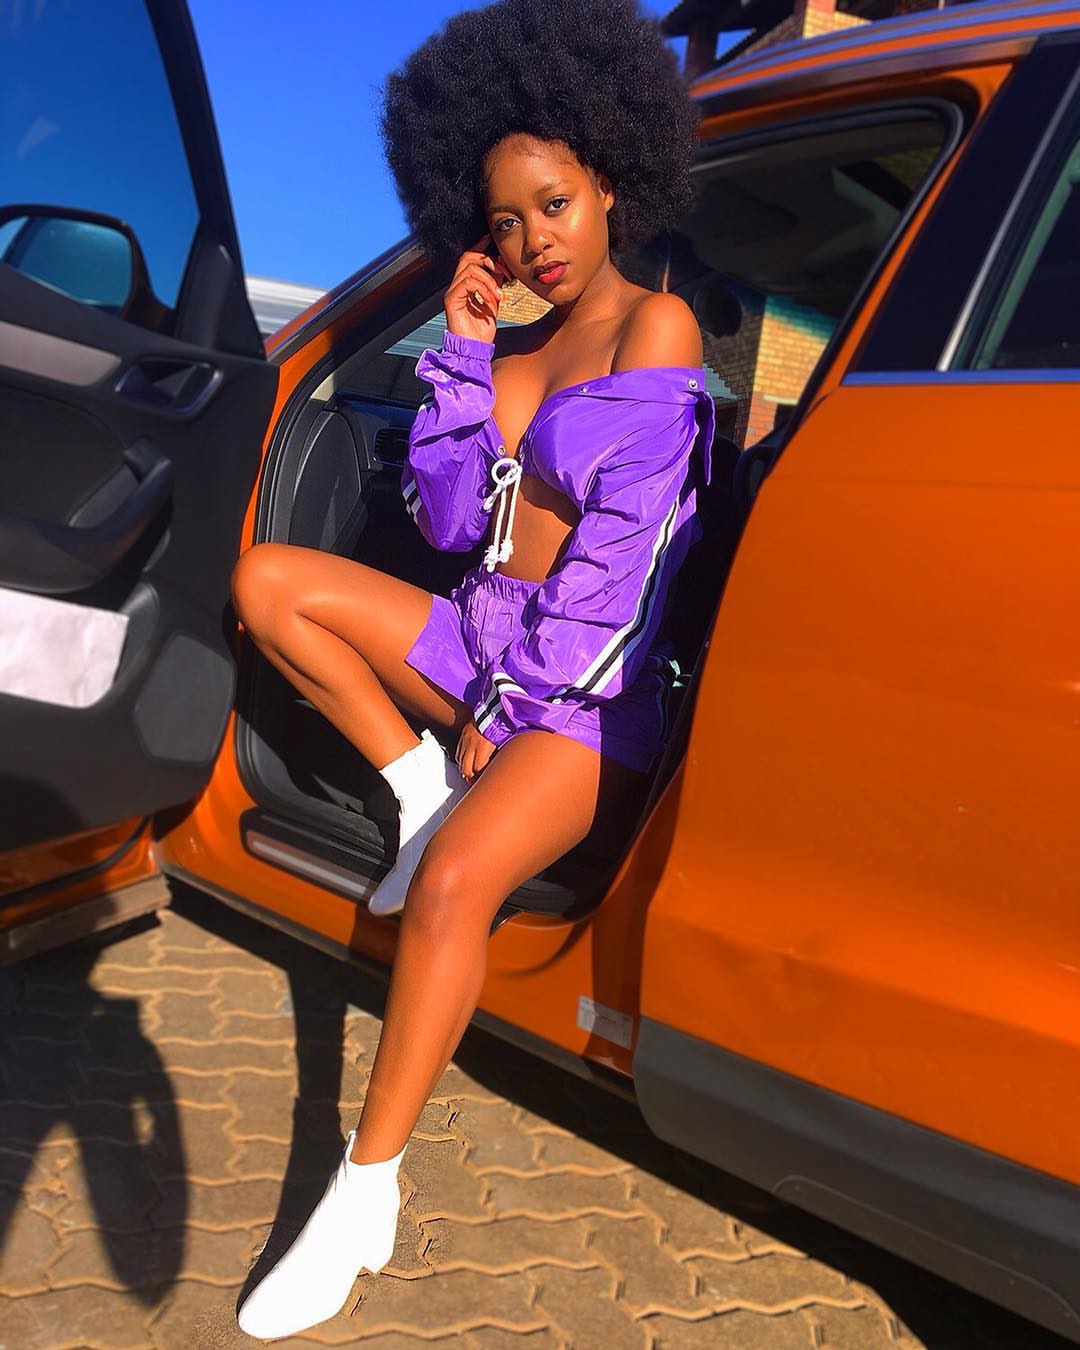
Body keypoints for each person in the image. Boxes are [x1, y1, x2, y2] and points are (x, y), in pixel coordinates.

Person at [232, 0, 715, 1337]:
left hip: (584, 698)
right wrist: (456, 344)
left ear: (610, 179)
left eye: (553, 204)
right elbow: (451, 524)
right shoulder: (505, 340)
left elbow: (622, 571)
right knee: (269, 584)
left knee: (450, 887)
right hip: (481, 640)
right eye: (505, 222)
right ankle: (415, 786)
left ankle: (363, 1189)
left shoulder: (660, 330)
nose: (534, 241)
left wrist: (507, 712)